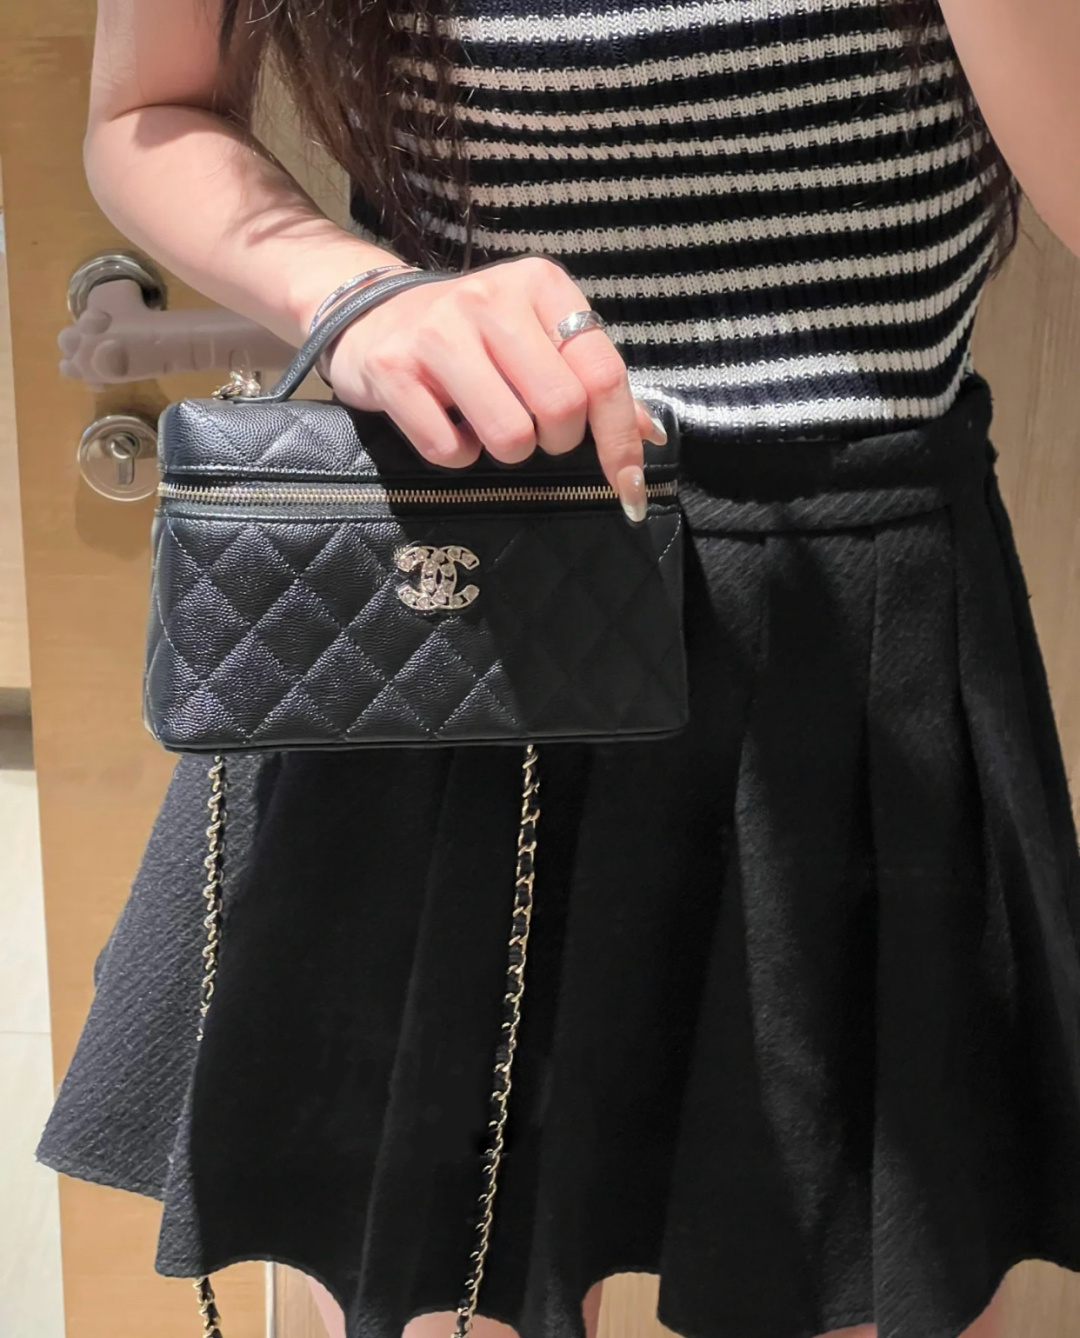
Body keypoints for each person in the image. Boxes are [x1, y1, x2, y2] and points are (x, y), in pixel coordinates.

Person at [35, 1, 1080, 1336]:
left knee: (873, 1279)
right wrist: (356, 295)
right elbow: (147, 111)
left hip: (861, 629)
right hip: (468, 597)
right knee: (441, 1290)